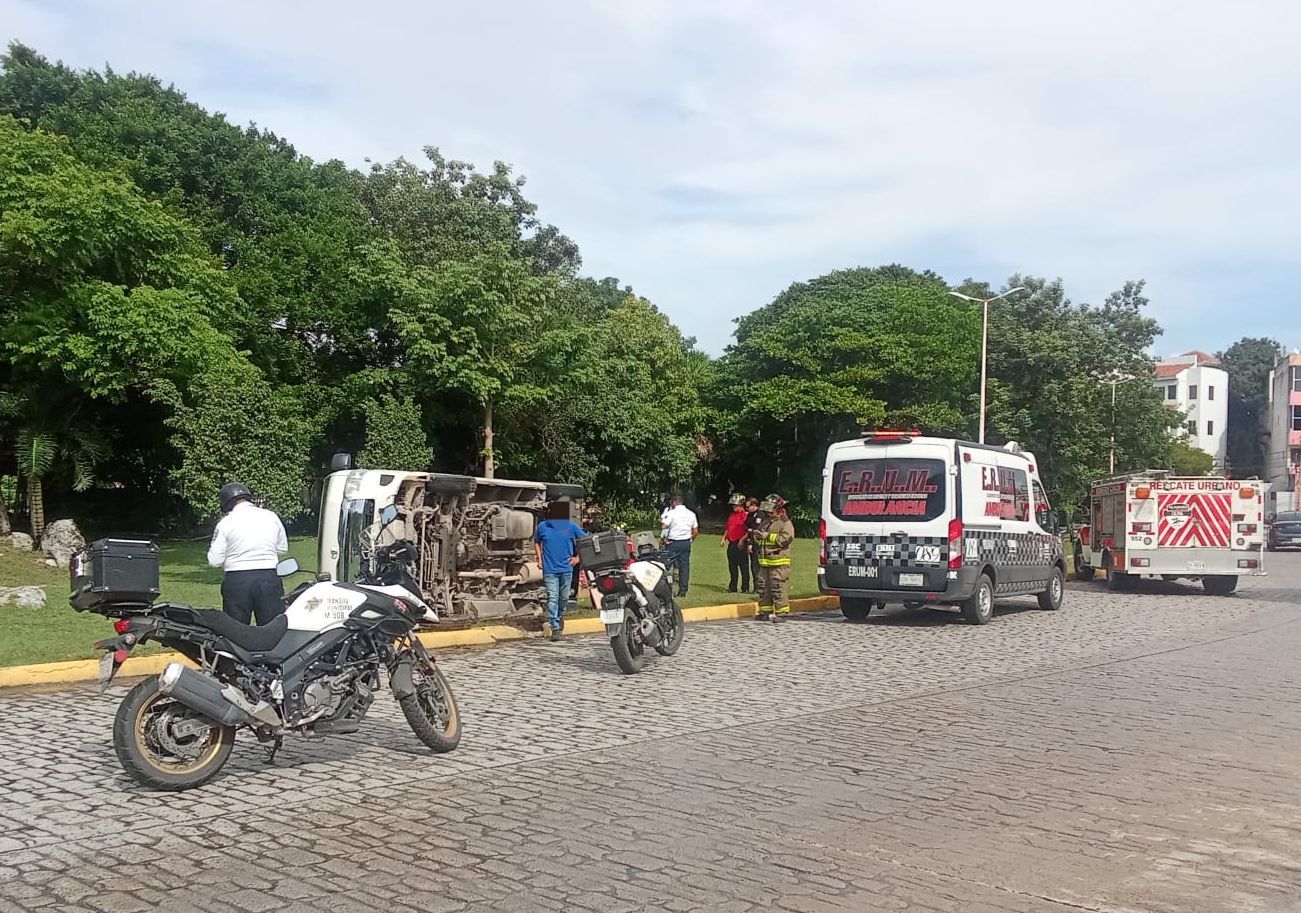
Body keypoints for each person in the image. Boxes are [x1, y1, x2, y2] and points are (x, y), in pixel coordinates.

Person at [207, 482, 289, 626]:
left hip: (237, 579)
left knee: (236, 629)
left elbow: (215, 560)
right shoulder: (271, 517)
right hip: (269, 577)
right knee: (272, 629)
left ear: (226, 503)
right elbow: (282, 548)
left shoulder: (225, 523)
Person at [534, 501, 584, 641]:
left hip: (566, 569)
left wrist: (578, 558)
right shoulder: (542, 527)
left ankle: (560, 616)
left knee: (563, 598)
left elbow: (585, 541)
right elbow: (536, 542)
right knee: (552, 597)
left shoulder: (571, 527)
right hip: (550, 570)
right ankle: (554, 627)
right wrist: (539, 559)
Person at [752, 493, 796, 623]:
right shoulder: (766, 521)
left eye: (771, 510)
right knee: (763, 587)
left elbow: (785, 539)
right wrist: (757, 537)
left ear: (779, 509)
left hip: (779, 562)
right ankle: (765, 612)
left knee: (778, 587)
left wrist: (767, 536)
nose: (769, 513)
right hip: (765, 561)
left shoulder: (785, 523)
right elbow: (760, 536)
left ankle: (782, 613)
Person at [660, 494, 699, 598]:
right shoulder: (691, 514)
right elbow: (695, 531)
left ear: (674, 502)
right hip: (686, 542)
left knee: (666, 565)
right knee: (684, 567)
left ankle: (666, 589)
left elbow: (664, 526)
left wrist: (664, 539)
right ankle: (683, 590)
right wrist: (690, 540)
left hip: (673, 542)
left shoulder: (672, 513)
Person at [721, 493, 751, 593]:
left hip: (741, 543)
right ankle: (733, 586)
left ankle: (745, 587)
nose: (734, 507)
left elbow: (748, 530)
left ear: (742, 505)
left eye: (736, 505)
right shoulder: (732, 516)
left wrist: (743, 540)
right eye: (733, 505)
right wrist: (724, 538)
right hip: (732, 543)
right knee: (732, 566)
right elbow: (728, 528)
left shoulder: (746, 516)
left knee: (743, 567)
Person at [743, 497, 762, 594]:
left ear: (754, 505)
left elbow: (756, 529)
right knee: (753, 566)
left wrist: (750, 543)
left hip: (757, 544)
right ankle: (756, 587)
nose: (746, 509)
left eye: (748, 507)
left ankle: (758, 588)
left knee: (756, 566)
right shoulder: (750, 515)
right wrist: (749, 529)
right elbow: (745, 525)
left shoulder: (759, 515)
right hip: (751, 541)